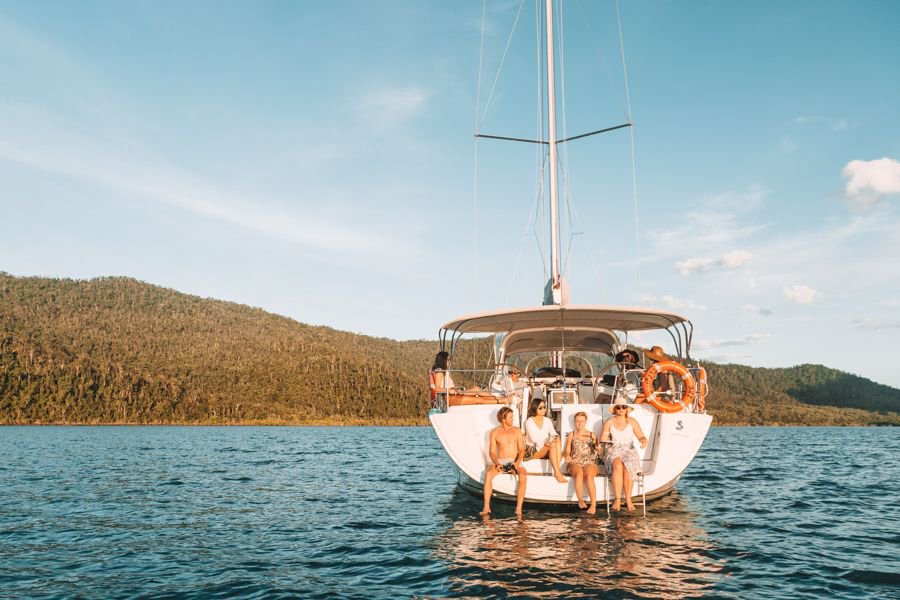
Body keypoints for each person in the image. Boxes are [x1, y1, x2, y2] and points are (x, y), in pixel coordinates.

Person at [600, 398, 649, 511]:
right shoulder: (609, 422)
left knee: (628, 467)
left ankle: (628, 499)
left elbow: (640, 436)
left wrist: (643, 440)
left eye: (623, 407)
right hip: (614, 449)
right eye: (618, 407)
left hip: (629, 450)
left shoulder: (632, 421)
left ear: (627, 409)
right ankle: (617, 499)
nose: (621, 409)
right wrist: (606, 439)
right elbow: (603, 438)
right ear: (615, 409)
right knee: (617, 465)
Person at [481, 406, 528, 516]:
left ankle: (518, 509)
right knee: (488, 474)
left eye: (513, 417)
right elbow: (492, 452)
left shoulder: (517, 431)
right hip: (501, 461)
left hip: (515, 461)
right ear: (503, 418)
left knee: (523, 475)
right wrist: (497, 463)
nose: (513, 419)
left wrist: (517, 462)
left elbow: (522, 450)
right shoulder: (494, 432)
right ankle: (487, 507)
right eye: (511, 417)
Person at [430, 351, 509, 406]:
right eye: (448, 359)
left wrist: (456, 390)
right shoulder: (439, 372)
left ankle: (499, 398)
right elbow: (437, 389)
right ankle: (502, 400)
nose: (449, 361)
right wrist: (449, 390)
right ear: (443, 360)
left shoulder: (445, 371)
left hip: (456, 393)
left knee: (476, 389)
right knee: (478, 400)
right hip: (451, 399)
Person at [523, 397, 567, 483]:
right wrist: (548, 442)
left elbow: (554, 433)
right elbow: (534, 439)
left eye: (544, 407)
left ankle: (557, 472)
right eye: (540, 408)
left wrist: (554, 438)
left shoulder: (547, 420)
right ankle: (558, 472)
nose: (543, 409)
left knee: (557, 440)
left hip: (546, 446)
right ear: (534, 408)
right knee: (553, 444)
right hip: (533, 450)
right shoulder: (529, 421)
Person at [564, 411, 600, 513]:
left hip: (589, 461)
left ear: (586, 422)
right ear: (575, 422)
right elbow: (567, 449)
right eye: (577, 421)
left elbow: (597, 448)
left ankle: (593, 505)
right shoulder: (572, 434)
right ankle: (581, 500)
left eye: (582, 421)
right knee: (579, 474)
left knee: (588, 476)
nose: (579, 423)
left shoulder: (591, 434)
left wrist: (597, 446)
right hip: (575, 461)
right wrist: (567, 456)